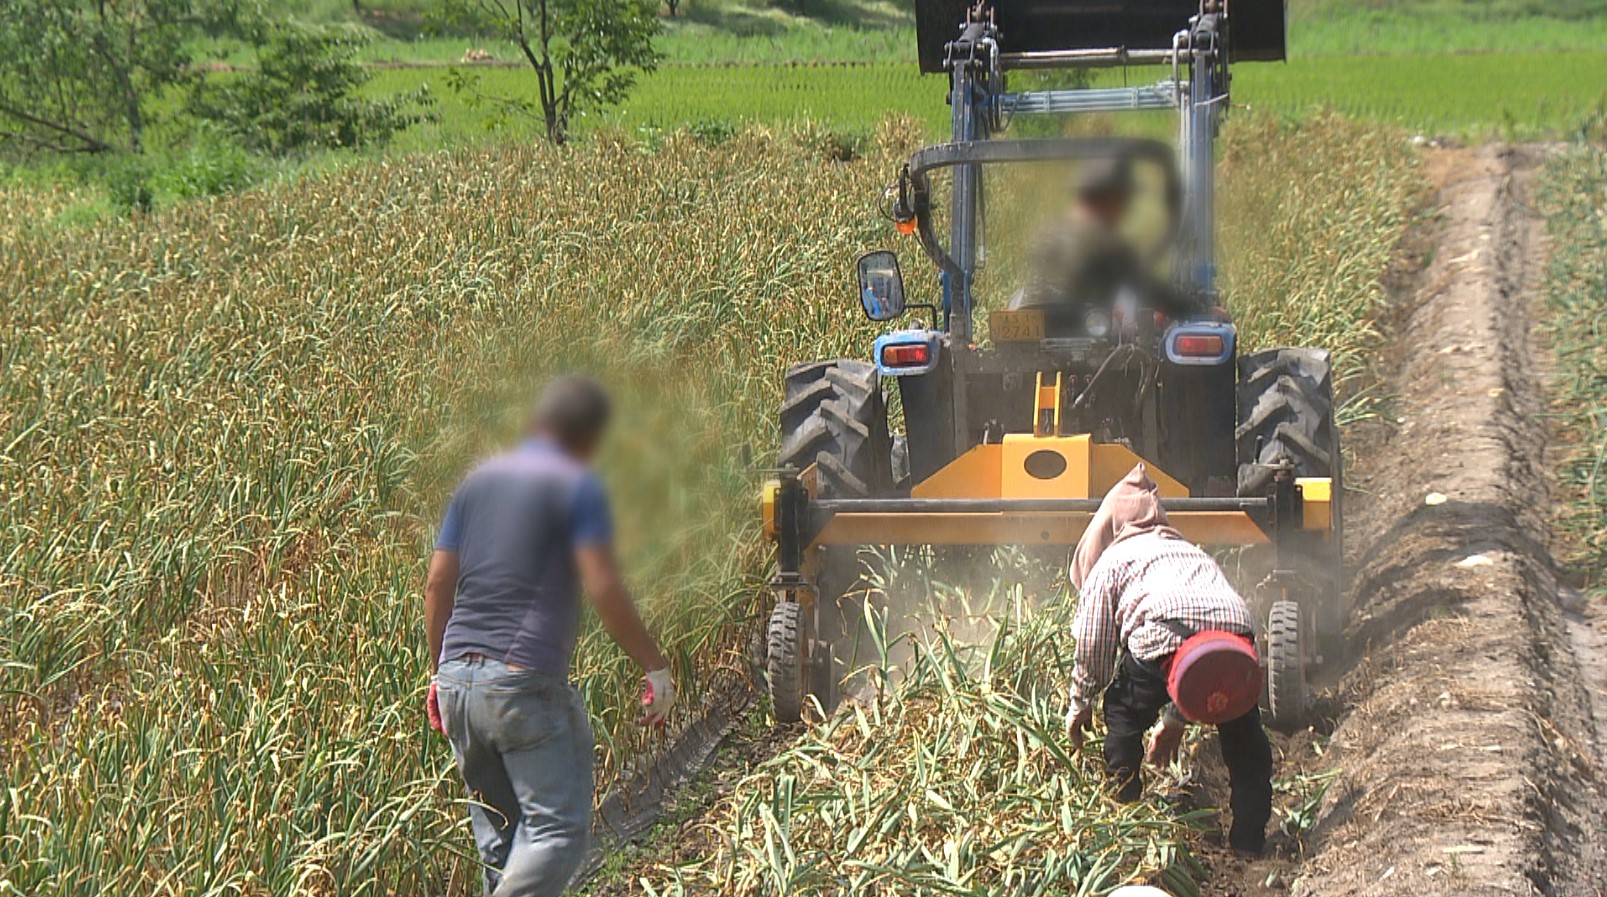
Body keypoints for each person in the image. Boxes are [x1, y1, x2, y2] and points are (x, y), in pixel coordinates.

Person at [423, 376, 675, 896]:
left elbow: (437, 582)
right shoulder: (575, 486)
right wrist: (654, 663)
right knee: (558, 832)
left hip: (456, 686)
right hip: (521, 684)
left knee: (503, 839)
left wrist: (439, 675)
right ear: (587, 439)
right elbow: (602, 583)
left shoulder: (474, 484)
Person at [1064, 464, 1273, 858]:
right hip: (1236, 636)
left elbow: (1094, 643)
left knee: (1123, 713)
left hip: (1162, 632)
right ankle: (1250, 840)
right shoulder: (1191, 552)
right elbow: (1204, 652)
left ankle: (1124, 812)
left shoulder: (1113, 560)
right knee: (1244, 735)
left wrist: (1081, 702)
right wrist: (1177, 718)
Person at [1012, 154, 1193, 325]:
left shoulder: (1047, 234)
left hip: (1031, 337)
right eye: (1123, 199)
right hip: (1080, 338)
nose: (1125, 207)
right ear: (1109, 198)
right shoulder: (1107, 246)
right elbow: (1152, 291)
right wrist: (1198, 311)